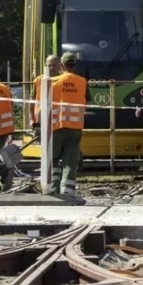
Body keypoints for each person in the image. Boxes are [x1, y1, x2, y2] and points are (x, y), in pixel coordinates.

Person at [47, 52, 89, 197]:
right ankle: (68, 192)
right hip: (76, 127)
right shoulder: (82, 82)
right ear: (75, 65)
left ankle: (53, 189)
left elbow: (44, 105)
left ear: (62, 65)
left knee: (53, 158)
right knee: (70, 161)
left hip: (57, 125)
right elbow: (86, 100)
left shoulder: (53, 82)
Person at [30, 54, 63, 140]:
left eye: (54, 65)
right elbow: (32, 100)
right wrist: (31, 119)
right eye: (49, 65)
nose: (51, 68)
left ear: (60, 65)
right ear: (45, 66)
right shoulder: (38, 80)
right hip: (40, 121)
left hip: (58, 123)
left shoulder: (63, 80)